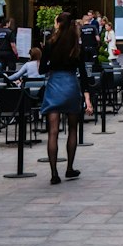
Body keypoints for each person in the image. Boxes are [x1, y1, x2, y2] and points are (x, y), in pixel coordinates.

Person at [40, 12, 93, 185]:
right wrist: (87, 98)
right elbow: (83, 74)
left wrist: (51, 64)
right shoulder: (76, 46)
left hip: (55, 84)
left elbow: (42, 69)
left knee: (53, 132)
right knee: (72, 129)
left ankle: (54, 173)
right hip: (71, 85)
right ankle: (69, 167)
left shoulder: (50, 44)